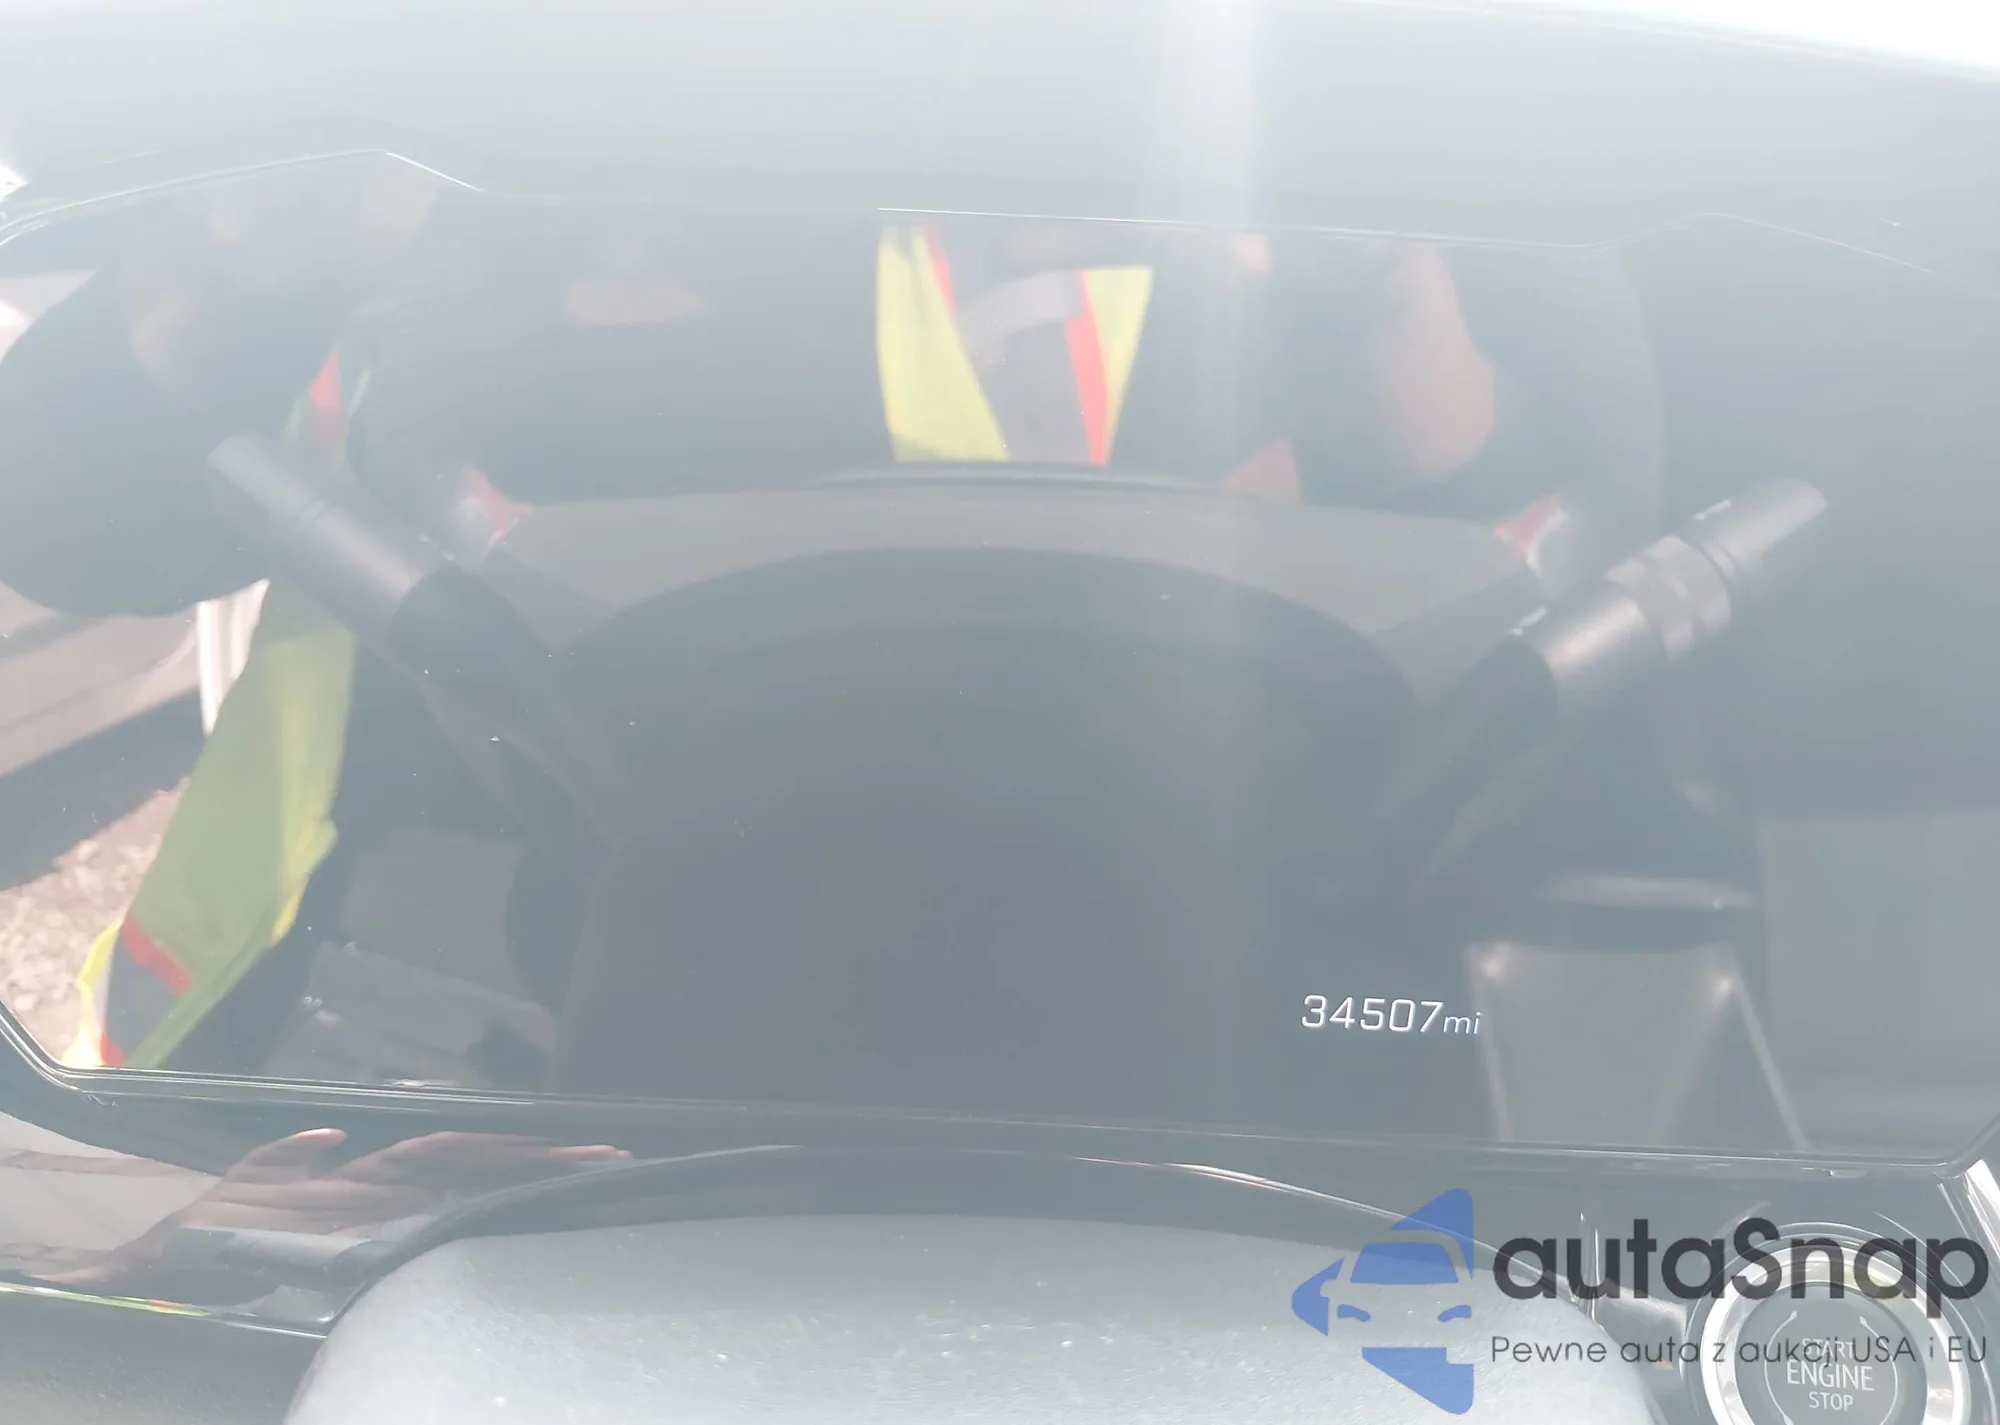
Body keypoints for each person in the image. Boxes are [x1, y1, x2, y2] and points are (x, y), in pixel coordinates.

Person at [0, 163, 1650, 1076]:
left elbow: (1521, 550)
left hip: (1186, 1023)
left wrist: (1375, 294)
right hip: (432, 1026)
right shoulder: (497, 147)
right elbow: (72, 519)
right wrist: (246, 255)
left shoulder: (1277, 128)